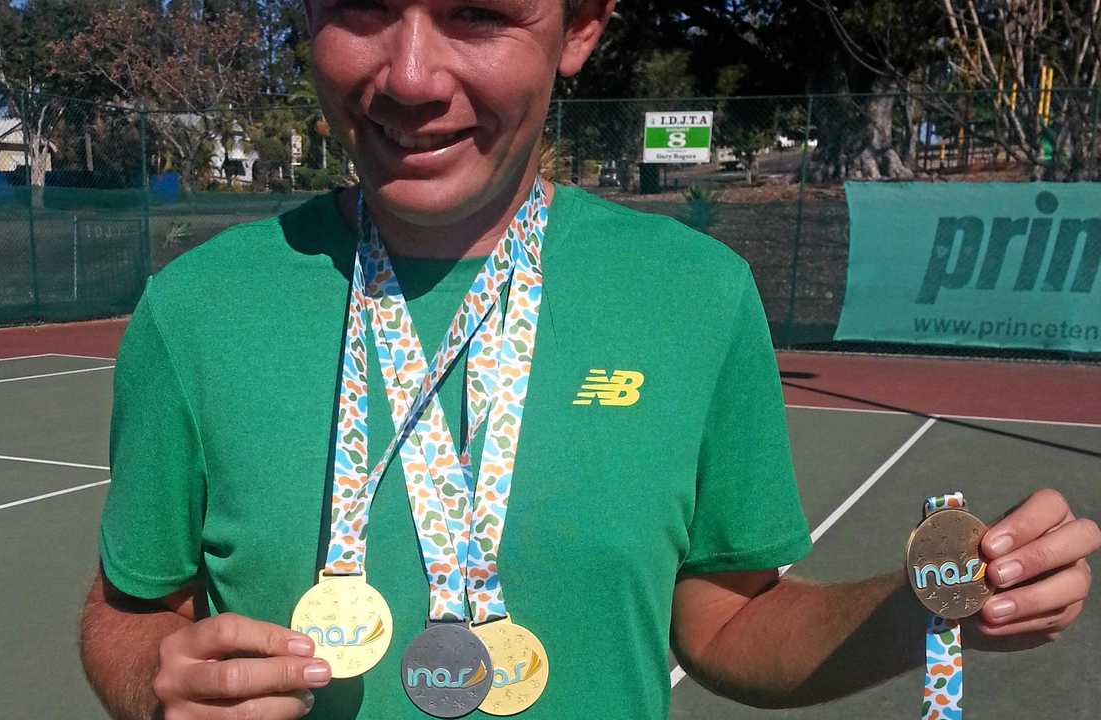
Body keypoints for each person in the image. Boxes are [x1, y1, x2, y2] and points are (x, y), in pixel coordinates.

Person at [79, 1, 1101, 719]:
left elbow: (729, 623)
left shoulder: (692, 294)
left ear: (579, 28)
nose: (409, 75)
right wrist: (153, 681)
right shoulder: (194, 311)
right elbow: (129, 615)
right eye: (360, 6)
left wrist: (931, 604)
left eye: (478, 12)